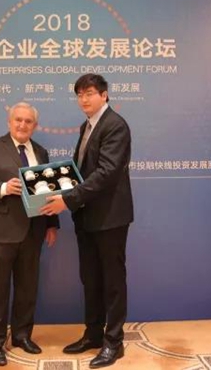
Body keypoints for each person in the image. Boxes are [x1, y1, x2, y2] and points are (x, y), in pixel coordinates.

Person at [40, 74, 133, 368]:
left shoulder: (115, 125)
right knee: (90, 279)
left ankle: (114, 342)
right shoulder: (87, 125)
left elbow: (106, 174)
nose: (84, 99)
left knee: (112, 281)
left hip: (110, 218)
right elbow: (81, 171)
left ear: (104, 95)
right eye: (79, 94)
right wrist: (55, 189)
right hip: (87, 216)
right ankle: (93, 335)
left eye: (90, 93)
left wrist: (66, 199)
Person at [0, 102, 59, 367]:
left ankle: (22, 336)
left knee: (27, 288)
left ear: (35, 125)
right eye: (18, 120)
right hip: (0, 230)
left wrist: (52, 224)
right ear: (9, 122)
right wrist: (3, 188)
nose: (22, 125)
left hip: (34, 230)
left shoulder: (41, 152)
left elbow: (48, 190)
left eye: (28, 121)